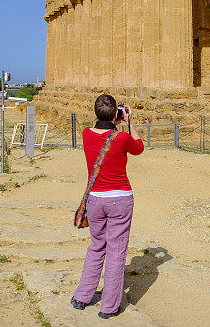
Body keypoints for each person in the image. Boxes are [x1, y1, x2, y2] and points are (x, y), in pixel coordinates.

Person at [71, 94, 144, 319]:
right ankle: (109, 306)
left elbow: (101, 131)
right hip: (120, 199)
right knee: (116, 251)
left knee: (96, 246)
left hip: (95, 199)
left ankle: (82, 297)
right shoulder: (121, 138)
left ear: (94, 114)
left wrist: (113, 121)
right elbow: (139, 147)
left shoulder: (85, 134)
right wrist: (129, 121)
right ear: (116, 114)